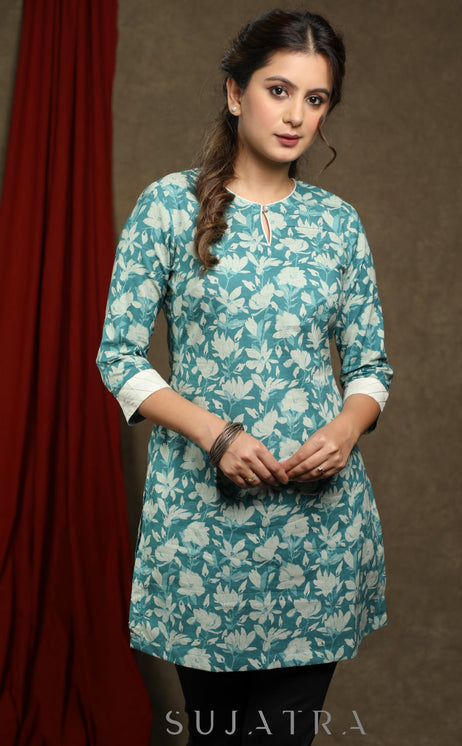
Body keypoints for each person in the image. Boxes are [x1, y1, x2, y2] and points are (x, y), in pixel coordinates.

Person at [97, 8, 393, 745]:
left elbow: (370, 368)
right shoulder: (169, 207)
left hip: (318, 535)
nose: (295, 116)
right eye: (278, 90)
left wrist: (346, 427)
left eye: (315, 99)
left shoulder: (337, 224)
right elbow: (119, 358)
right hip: (202, 534)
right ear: (236, 93)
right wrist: (216, 434)